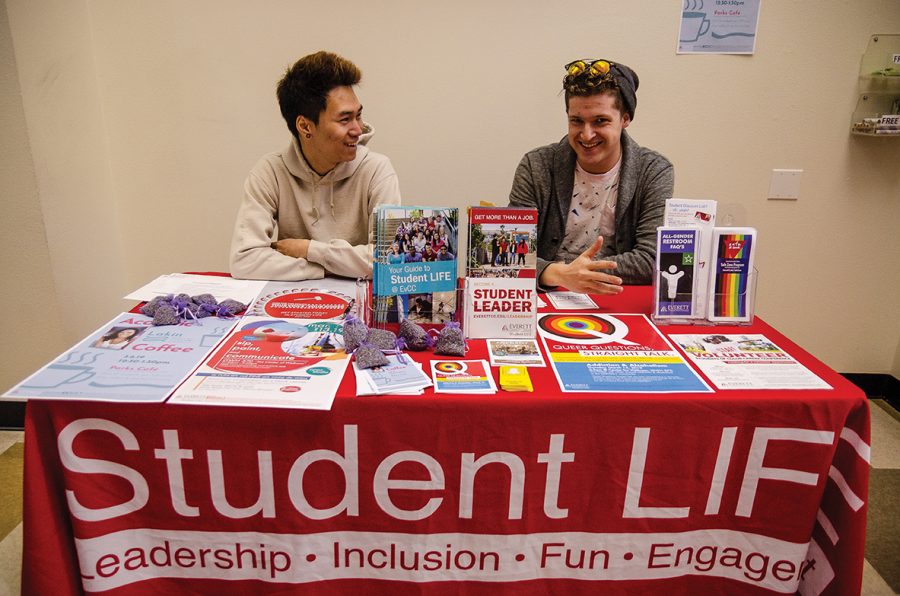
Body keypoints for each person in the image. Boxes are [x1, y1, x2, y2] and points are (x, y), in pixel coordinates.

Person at [230, 51, 401, 281]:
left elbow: (390, 260)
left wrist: (309, 250)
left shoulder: (377, 170)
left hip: (358, 307)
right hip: (294, 306)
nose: (358, 129)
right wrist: (328, 268)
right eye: (344, 119)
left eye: (358, 116)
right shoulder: (269, 172)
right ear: (305, 126)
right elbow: (245, 260)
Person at [508, 58, 673, 294]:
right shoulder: (536, 165)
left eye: (600, 121)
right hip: (546, 296)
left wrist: (580, 275)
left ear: (625, 118)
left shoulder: (654, 171)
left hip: (616, 298)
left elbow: (650, 258)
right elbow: (512, 252)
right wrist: (559, 274)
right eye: (577, 121)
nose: (586, 135)